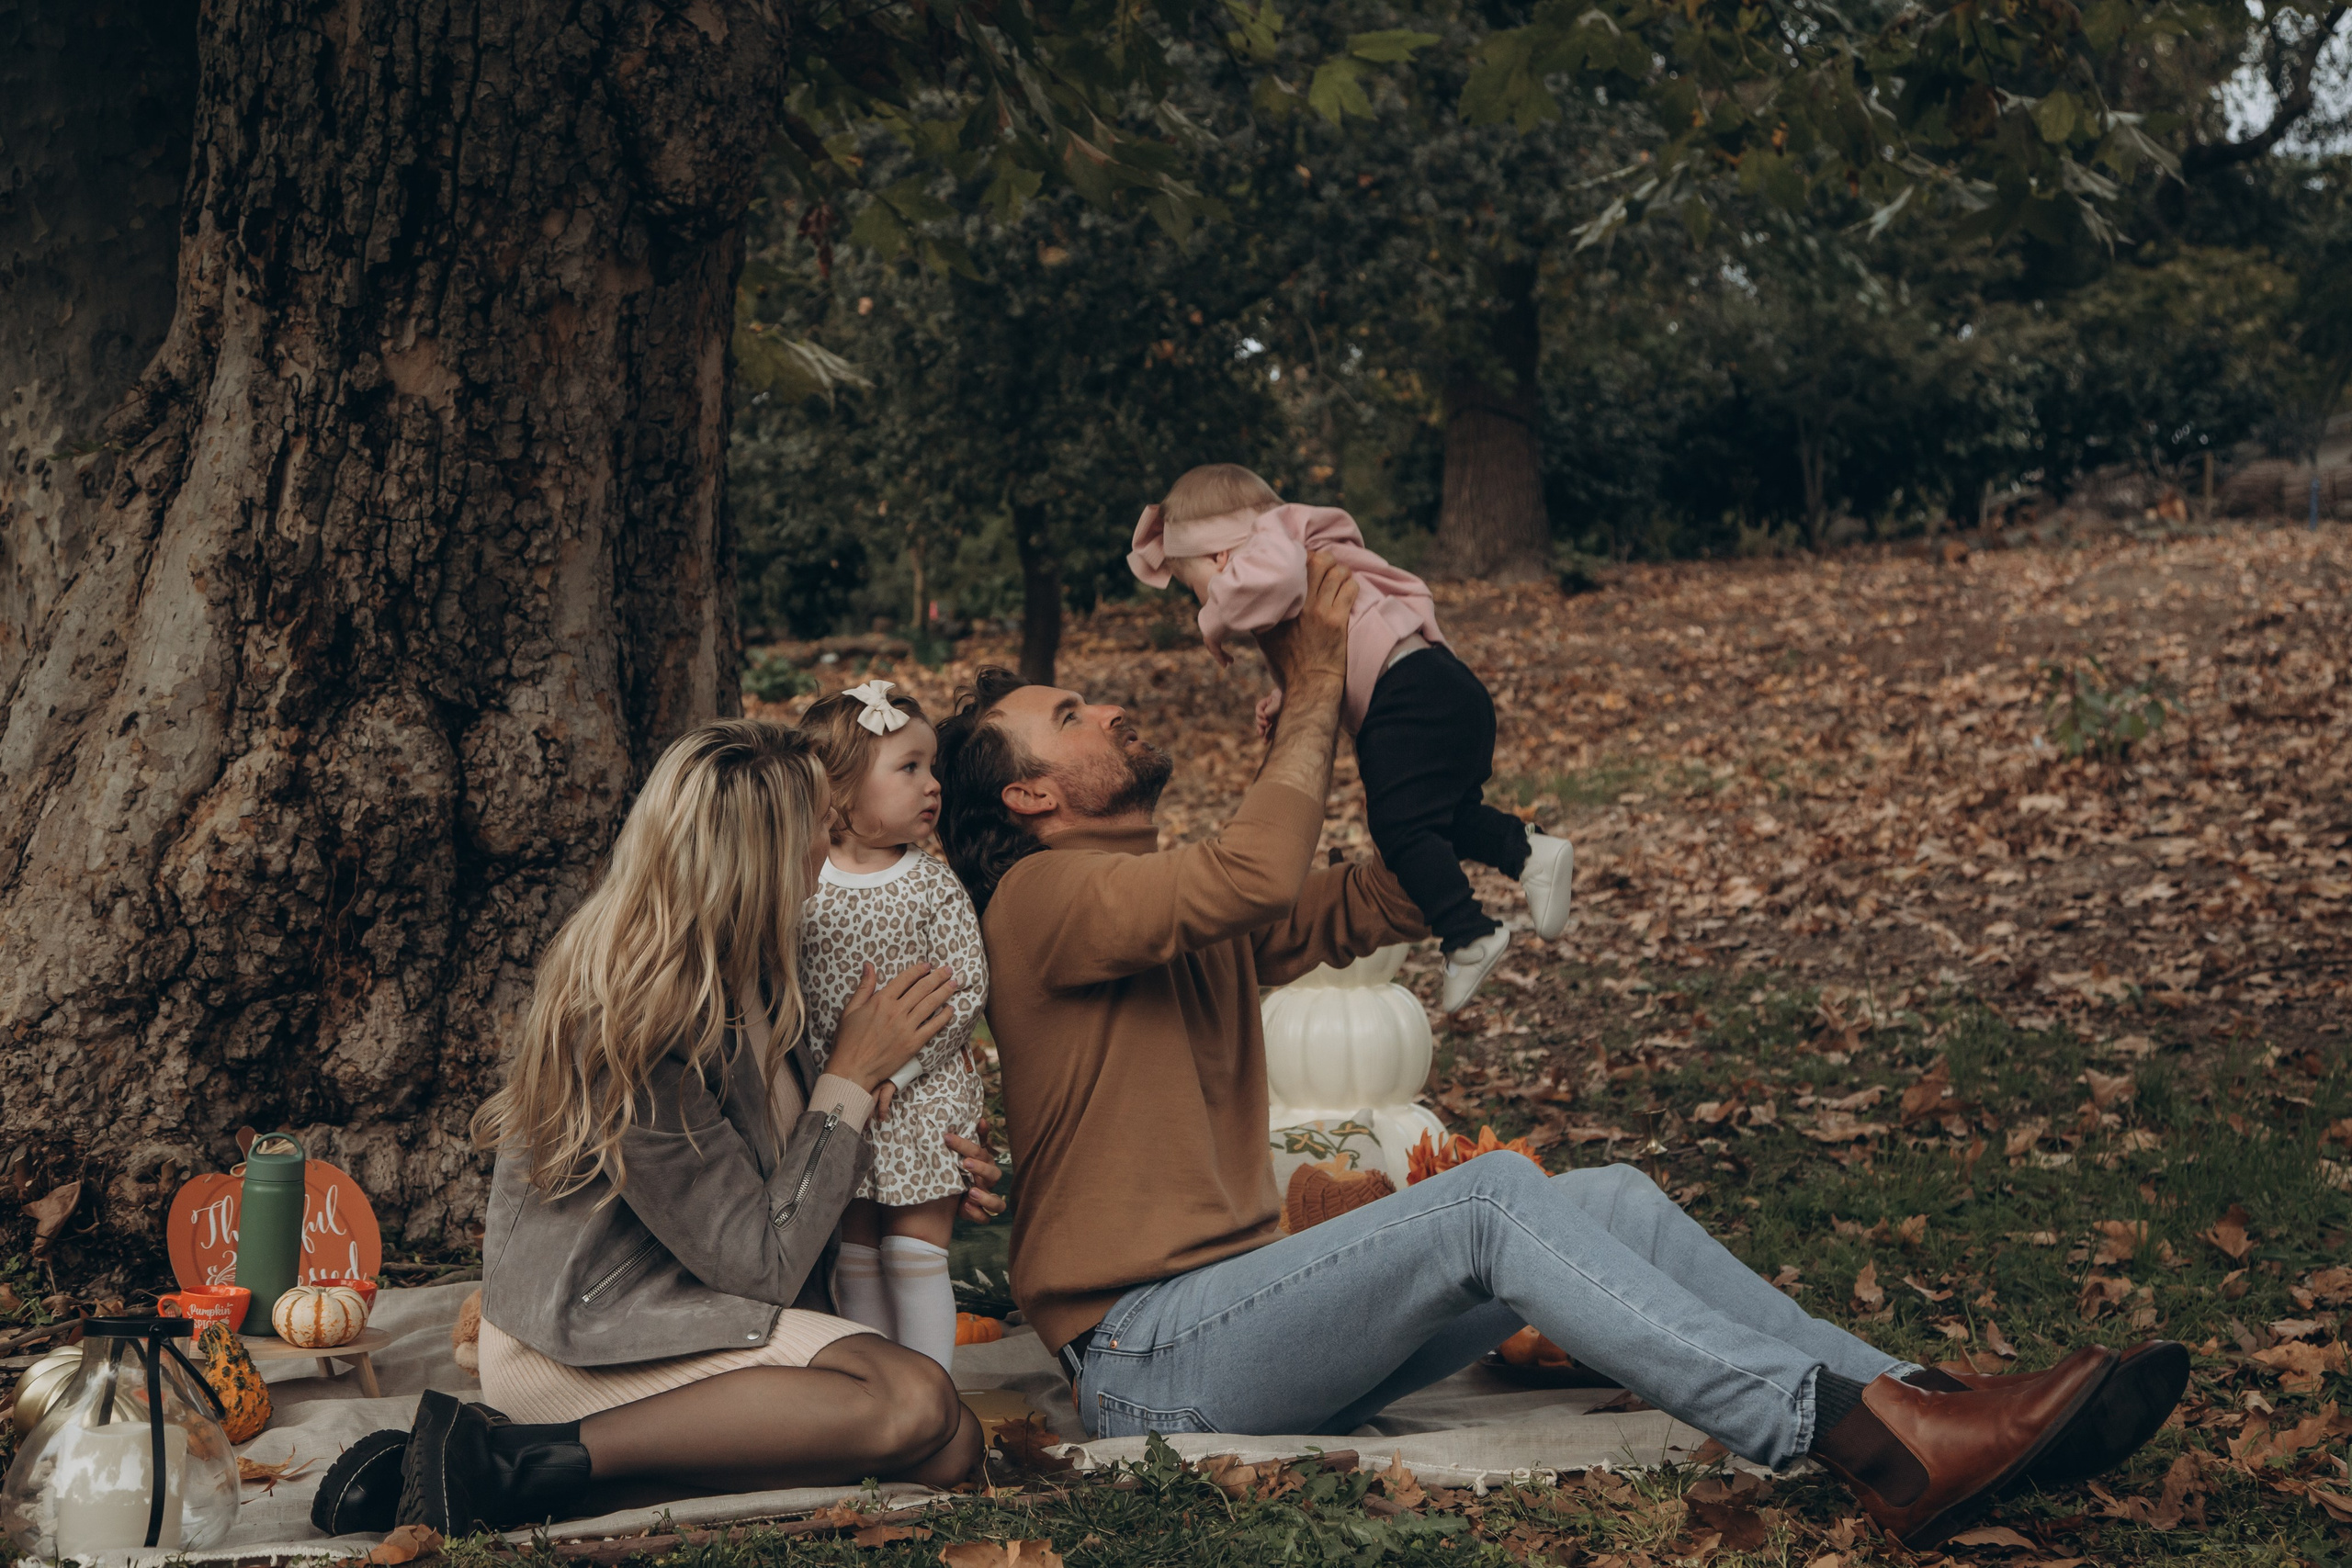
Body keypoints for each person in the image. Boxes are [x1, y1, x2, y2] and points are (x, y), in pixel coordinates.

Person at [932, 555, 2187, 1551]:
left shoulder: (1154, 899)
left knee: (1605, 1199)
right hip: (1152, 1356)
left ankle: (1937, 1398)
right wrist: (1312, 686)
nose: (1104, 706)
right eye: (1067, 712)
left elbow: (1364, 902)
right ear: (1032, 797)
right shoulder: (1040, 905)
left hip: (1244, 1317)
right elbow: (1258, 867)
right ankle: (1863, 1440)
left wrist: (1410, 753)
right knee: (1489, 1198)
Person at [313, 721, 1005, 1539]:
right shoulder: (632, 1021)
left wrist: (924, 1163)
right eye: (819, 828)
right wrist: (848, 1076)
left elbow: (792, 1177)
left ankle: (474, 1469)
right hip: (588, 1335)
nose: (834, 844)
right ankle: (516, 1464)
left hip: (704, 1309)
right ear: (761, 855)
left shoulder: (762, 964)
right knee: (915, 1402)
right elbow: (760, 1262)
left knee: (949, 1443)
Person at [1128, 462, 1572, 1010]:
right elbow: (1335, 649)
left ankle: (1469, 933)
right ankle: (1529, 851)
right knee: (1436, 818)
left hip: (1407, 694)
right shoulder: (1301, 547)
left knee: (1397, 826)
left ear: (1221, 556)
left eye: (1196, 586)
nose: (1203, 601)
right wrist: (1287, 697)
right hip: (1440, 686)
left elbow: (1272, 581)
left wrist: (1212, 622)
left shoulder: (1278, 543)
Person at [796, 681, 989, 1374]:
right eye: (908, 767)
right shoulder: (805, 885)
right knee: (854, 1254)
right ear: (840, 791)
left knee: (912, 1251)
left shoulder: (932, 883)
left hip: (920, 1099)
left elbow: (964, 988)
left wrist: (899, 1073)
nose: (931, 784)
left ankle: (931, 1388)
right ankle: (877, 1388)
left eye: (931, 767)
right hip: (833, 1097)